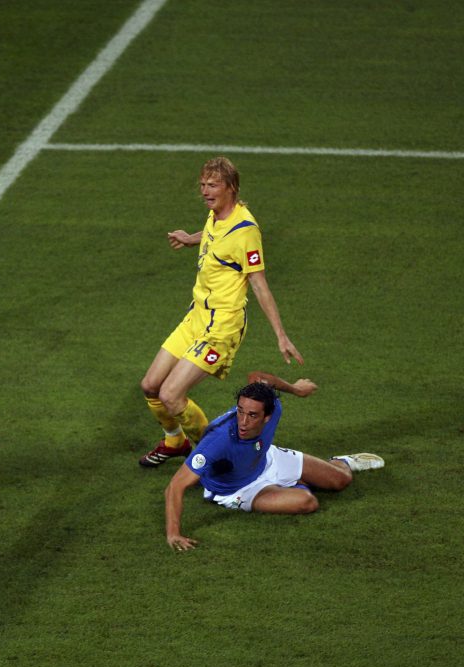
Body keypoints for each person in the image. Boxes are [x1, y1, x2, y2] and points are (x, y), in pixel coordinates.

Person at [139, 157, 302, 468]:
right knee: (151, 386)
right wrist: (191, 239)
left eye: (212, 185)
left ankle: (216, 458)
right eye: (202, 185)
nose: (205, 191)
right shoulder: (215, 216)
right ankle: (175, 441)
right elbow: (215, 238)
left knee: (172, 395)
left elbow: (259, 284)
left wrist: (281, 335)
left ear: (231, 188)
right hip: (196, 316)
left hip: (222, 327)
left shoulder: (246, 229)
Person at [164, 371, 385, 551]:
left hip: (267, 458)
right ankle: (294, 485)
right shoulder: (217, 441)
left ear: (267, 416)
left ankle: (340, 461)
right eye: (240, 411)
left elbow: (257, 376)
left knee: (342, 480)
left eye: (252, 415)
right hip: (239, 489)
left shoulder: (273, 407)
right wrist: (174, 533)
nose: (242, 421)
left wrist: (296, 389)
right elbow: (175, 486)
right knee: (307, 502)